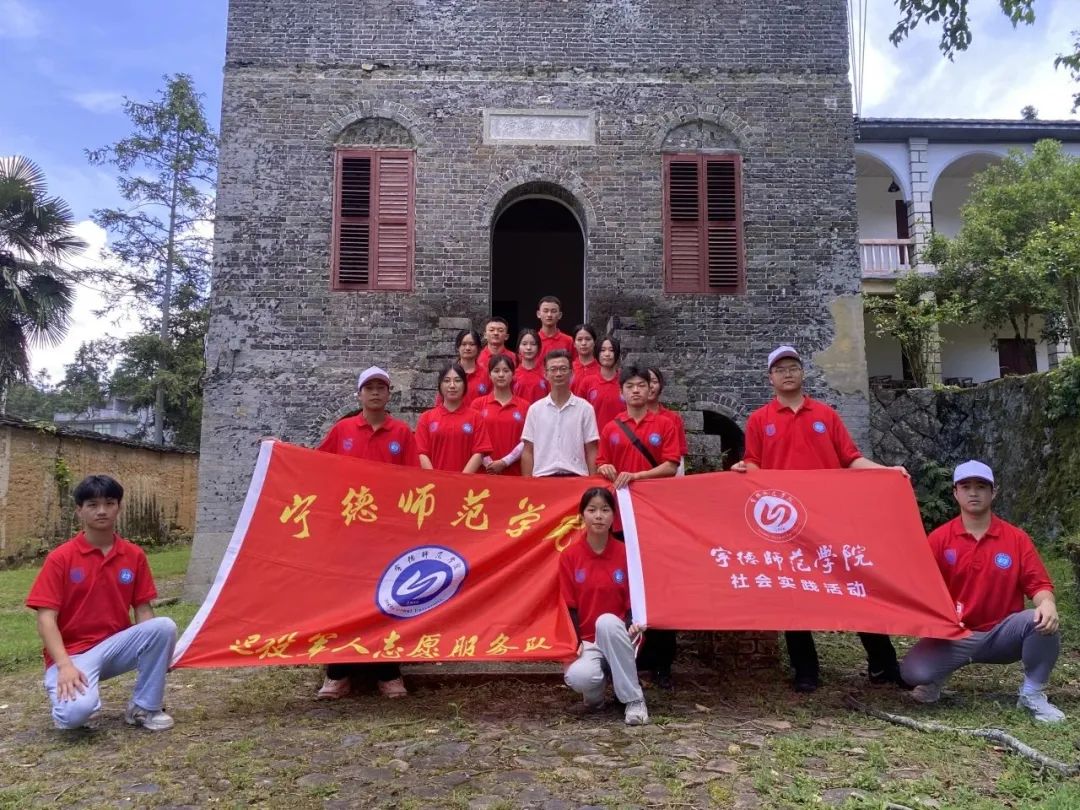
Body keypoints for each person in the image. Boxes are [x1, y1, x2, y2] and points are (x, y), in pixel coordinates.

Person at [732, 345, 909, 693]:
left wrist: (886, 471)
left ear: (802, 373)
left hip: (829, 520)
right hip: (786, 525)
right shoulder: (759, 420)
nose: (787, 373)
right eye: (780, 369)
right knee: (793, 592)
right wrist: (744, 471)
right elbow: (754, 464)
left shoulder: (826, 415)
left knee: (853, 585)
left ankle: (883, 664)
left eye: (792, 367)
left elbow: (851, 458)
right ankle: (806, 670)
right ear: (770, 378)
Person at [901, 461, 1064, 723]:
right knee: (913, 673)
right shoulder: (940, 539)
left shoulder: (1016, 538)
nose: (973, 493)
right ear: (955, 493)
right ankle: (935, 679)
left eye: (981, 486)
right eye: (966, 486)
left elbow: (1039, 585)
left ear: (993, 492)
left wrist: (1047, 603)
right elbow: (919, 585)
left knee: (1040, 620)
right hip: (953, 634)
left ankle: (1032, 694)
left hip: (1002, 634)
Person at [25, 475, 177, 731]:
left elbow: (143, 610)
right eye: (93, 505)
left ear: (119, 507)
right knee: (74, 716)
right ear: (79, 510)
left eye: (109, 503)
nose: (102, 511)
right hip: (73, 654)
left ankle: (144, 707)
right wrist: (64, 666)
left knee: (164, 627)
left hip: (115, 647)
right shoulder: (61, 558)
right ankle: (75, 702)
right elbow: (45, 619)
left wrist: (158, 653)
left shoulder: (134, 555)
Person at [315, 366, 417, 699]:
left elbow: (414, 482)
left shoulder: (401, 433)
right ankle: (338, 673)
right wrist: (279, 450)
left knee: (389, 599)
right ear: (359, 394)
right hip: (348, 532)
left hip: (387, 533)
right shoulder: (342, 430)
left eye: (381, 387)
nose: (375, 392)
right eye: (369, 387)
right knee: (342, 601)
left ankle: (388, 673)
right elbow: (315, 467)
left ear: (389, 394)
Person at [596, 366, 681, 688]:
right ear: (621, 392)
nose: (635, 391)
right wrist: (606, 467)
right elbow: (602, 462)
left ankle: (662, 663)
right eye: (630, 386)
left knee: (660, 588)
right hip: (621, 518)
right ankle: (630, 657)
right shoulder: (611, 427)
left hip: (656, 519)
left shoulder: (665, 424)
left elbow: (671, 465)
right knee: (626, 588)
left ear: (650, 390)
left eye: (641, 385)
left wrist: (637, 477)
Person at [560, 487, 649, 725]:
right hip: (588, 640)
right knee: (579, 677)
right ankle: (595, 699)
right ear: (582, 515)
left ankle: (634, 700)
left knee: (607, 622)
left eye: (605, 510)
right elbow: (569, 606)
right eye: (592, 510)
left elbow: (635, 598)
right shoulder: (569, 556)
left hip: (621, 634)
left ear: (614, 517)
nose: (598, 516)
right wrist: (575, 642)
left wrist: (632, 624)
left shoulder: (627, 553)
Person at [521, 349, 599, 478]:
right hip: (543, 478)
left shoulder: (585, 409)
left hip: (576, 478)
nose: (558, 374)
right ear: (545, 374)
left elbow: (591, 450)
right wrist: (528, 483)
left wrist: (593, 481)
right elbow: (528, 450)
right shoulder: (535, 410)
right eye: (553, 369)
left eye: (563, 369)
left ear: (571, 373)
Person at [417, 363, 494, 472]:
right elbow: (421, 452)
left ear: (465, 385)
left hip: (466, 481)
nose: (452, 385)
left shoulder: (476, 417)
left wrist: (461, 479)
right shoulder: (426, 417)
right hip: (434, 481)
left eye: (457, 381)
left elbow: (479, 452)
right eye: (447, 381)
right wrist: (434, 478)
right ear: (440, 385)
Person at [472, 354, 530, 475]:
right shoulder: (478, 404)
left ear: (513, 374)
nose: (501, 375)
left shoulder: (525, 406)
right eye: (496, 371)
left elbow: (528, 440)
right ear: (489, 375)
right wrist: (489, 464)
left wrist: (505, 462)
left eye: (506, 371)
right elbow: (473, 438)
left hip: (514, 473)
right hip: (484, 473)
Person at [575, 335, 624, 433]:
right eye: (603, 350)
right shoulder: (587, 382)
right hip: (594, 437)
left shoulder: (626, 381)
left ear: (617, 354)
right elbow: (578, 413)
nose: (607, 354)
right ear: (597, 353)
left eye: (611, 350)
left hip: (622, 437)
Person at [645, 367, 688, 475]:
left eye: (654, 381)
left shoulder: (673, 418)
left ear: (661, 386)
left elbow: (679, 456)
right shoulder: (629, 418)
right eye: (646, 381)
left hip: (666, 477)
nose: (650, 385)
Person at [438, 329, 490, 407]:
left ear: (478, 348)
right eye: (464, 344)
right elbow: (440, 402)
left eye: (472, 344)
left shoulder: (486, 374)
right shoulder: (448, 373)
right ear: (458, 347)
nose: (467, 348)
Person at [512, 328, 549, 404]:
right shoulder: (512, 374)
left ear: (539, 348)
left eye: (533, 344)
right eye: (524, 344)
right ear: (518, 348)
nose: (528, 348)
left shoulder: (546, 373)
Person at [536, 295, 575, 360]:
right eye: (545, 311)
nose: (549, 315)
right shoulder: (533, 341)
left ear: (560, 315)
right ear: (538, 314)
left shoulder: (569, 341)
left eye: (553, 311)